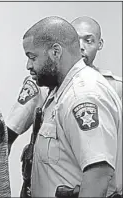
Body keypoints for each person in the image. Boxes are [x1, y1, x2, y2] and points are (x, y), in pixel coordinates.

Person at [18, 16, 122, 197]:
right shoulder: (60, 91)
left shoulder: (83, 95)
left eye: (32, 57)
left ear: (56, 52)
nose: (28, 65)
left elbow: (98, 174)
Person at [71, 16, 122, 100]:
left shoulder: (116, 87)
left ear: (100, 44)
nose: (80, 47)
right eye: (74, 40)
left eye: (88, 41)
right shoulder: (49, 86)